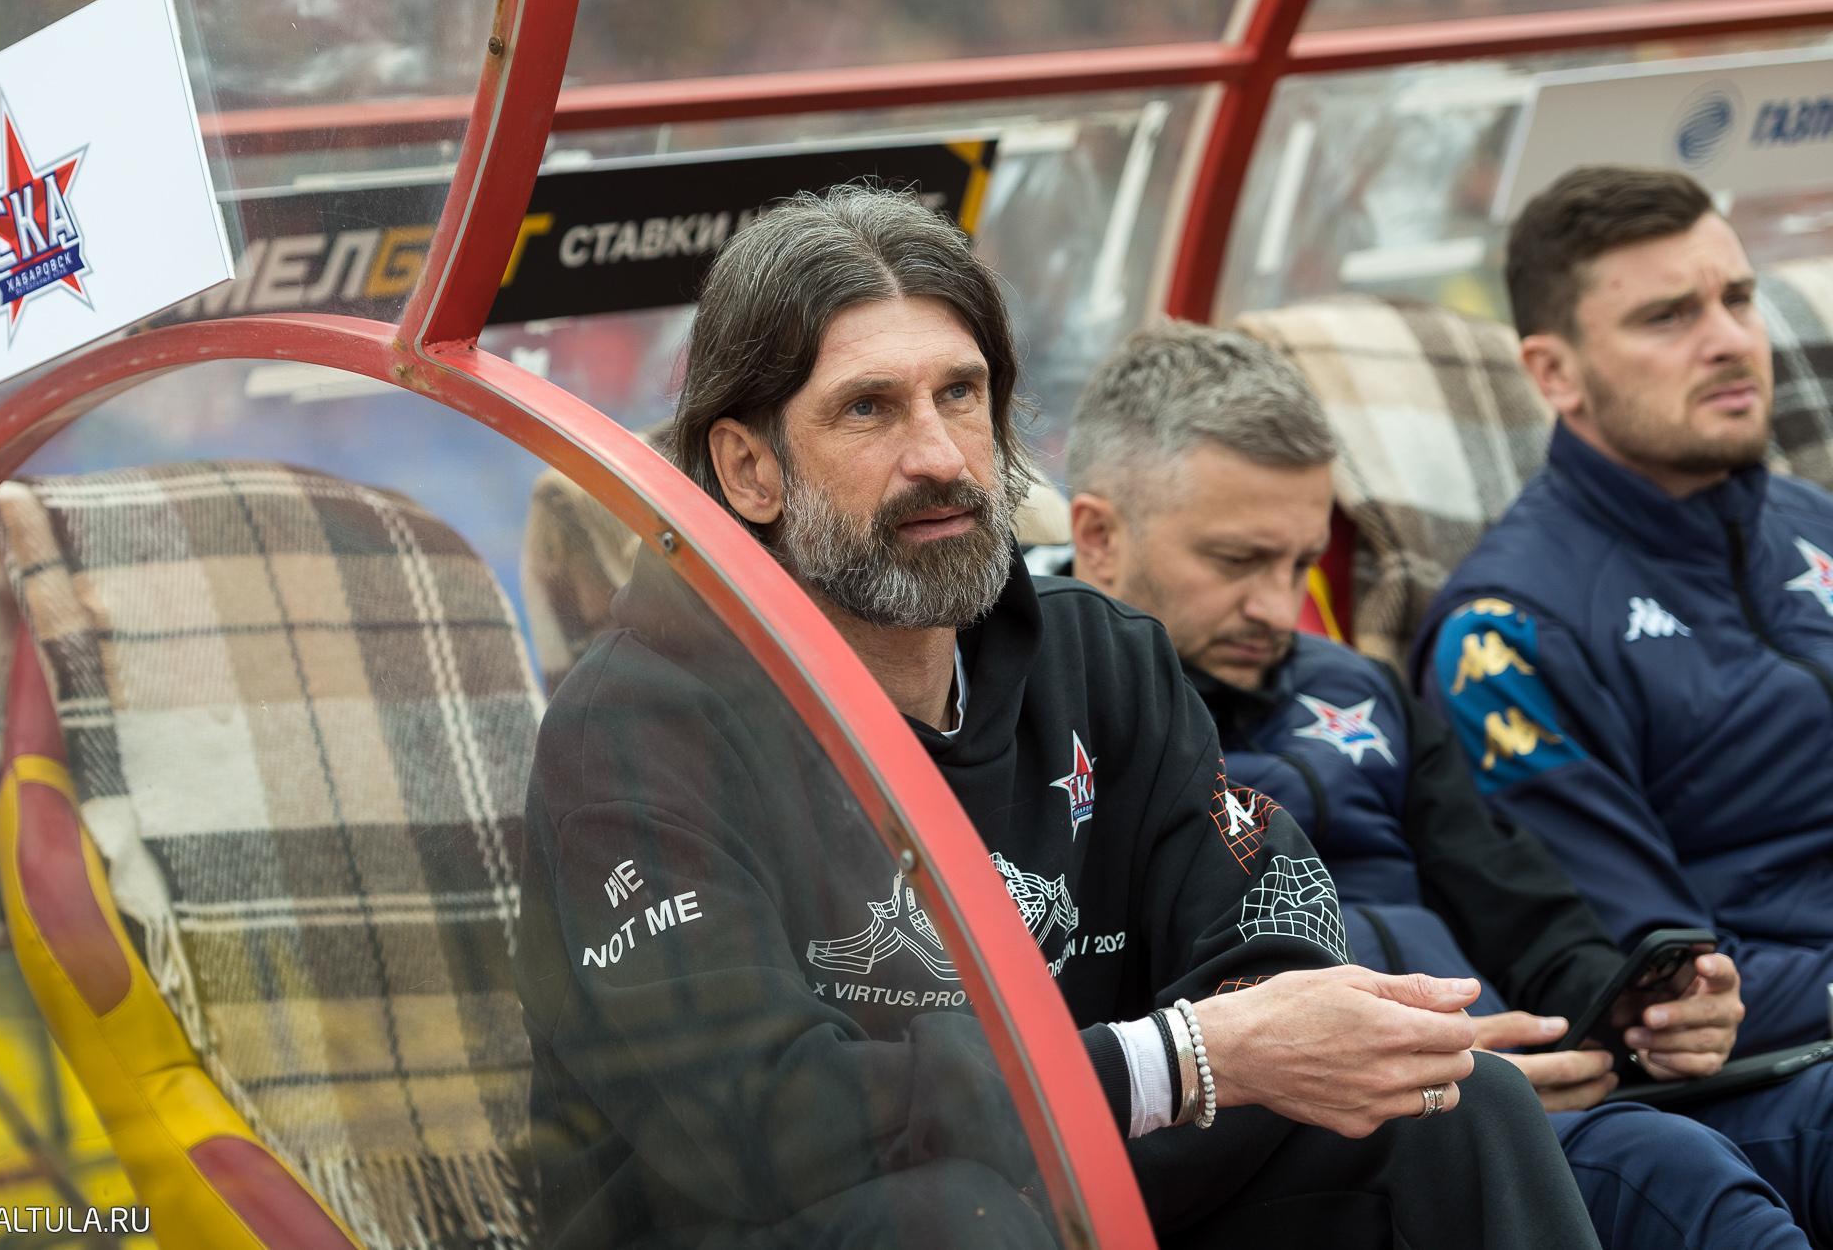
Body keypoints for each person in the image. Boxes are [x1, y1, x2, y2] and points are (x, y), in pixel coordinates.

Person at [514, 186, 1599, 1248]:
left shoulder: (1097, 656)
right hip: (797, 1218)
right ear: (749, 468)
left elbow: (1263, 908)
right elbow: (760, 1121)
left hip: (1072, 1173)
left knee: (1458, 1107)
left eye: (960, 393)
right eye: (869, 408)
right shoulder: (634, 730)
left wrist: (1267, 1034)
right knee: (958, 1218)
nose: (941, 456)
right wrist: (1172, 1060)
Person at [1062, 318, 1833, 1247]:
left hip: (1525, 1092)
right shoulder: (1061, 728)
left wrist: (1631, 1008)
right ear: (1098, 535)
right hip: (1337, 1148)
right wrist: (1452, 1075)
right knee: (1669, 1176)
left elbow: (1518, 899)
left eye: (1301, 563)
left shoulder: (1357, 687)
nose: (1278, 607)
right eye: (1237, 562)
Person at [1412, 166, 1833, 1059]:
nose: (1731, 341)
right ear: (1554, 372)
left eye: (1739, 299)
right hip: (1769, 1074)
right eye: (1668, 317)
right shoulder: (1504, 637)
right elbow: (1659, 985)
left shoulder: (1811, 520)